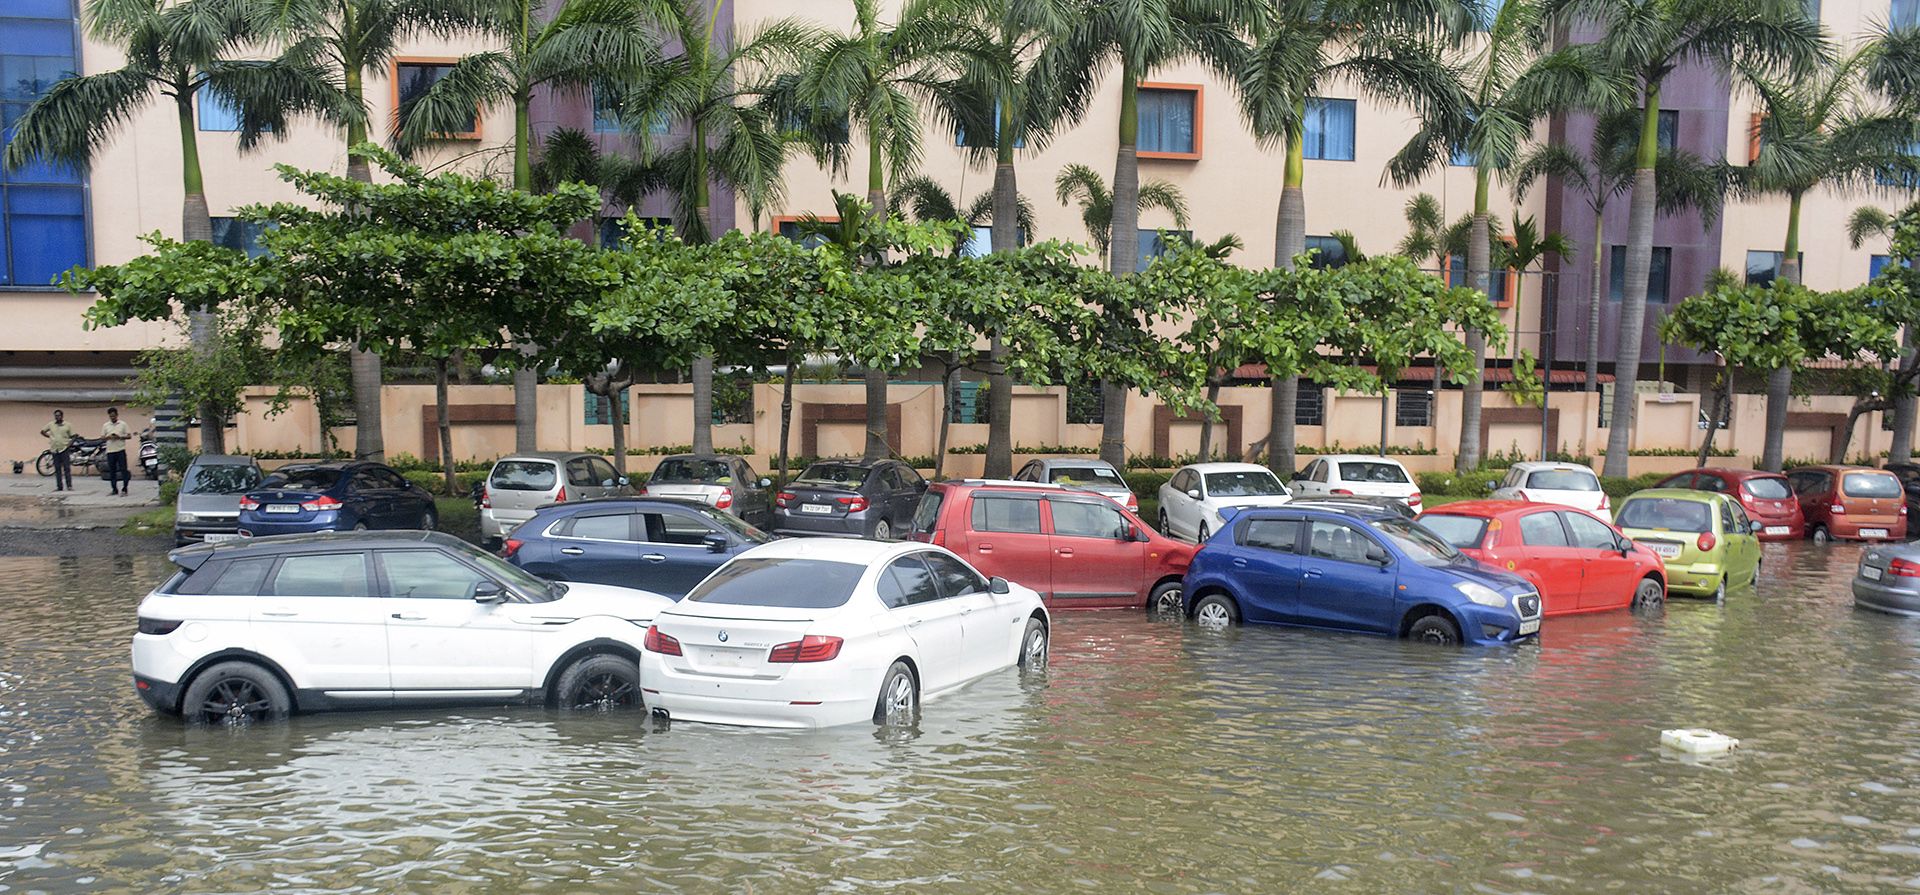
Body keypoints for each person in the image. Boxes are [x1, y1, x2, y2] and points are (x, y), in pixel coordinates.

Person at [40, 409, 75, 492]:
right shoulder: (51, 424)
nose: (57, 417)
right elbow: (42, 431)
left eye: (59, 415)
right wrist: (50, 437)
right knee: (57, 469)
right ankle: (59, 486)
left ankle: (69, 486)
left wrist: (69, 444)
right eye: (56, 415)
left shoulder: (68, 425)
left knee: (66, 468)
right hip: (54, 449)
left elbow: (73, 436)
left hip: (64, 448)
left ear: (62, 416)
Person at [101, 407, 133, 496]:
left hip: (120, 450)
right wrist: (108, 437)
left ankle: (125, 488)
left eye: (114, 416)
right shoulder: (106, 425)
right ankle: (114, 489)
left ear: (117, 415)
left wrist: (120, 437)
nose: (113, 418)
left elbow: (129, 436)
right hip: (110, 451)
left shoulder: (123, 424)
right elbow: (102, 437)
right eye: (111, 416)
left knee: (123, 470)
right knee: (112, 471)